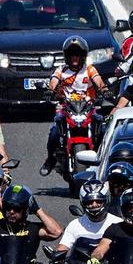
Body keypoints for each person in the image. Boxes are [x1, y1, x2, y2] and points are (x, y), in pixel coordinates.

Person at [42, 36, 108, 176]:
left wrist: (104, 90)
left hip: (88, 106)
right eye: (71, 55)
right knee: (54, 132)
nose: (74, 58)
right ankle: (50, 159)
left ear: (83, 56)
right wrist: (50, 91)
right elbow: (53, 81)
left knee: (102, 129)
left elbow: (99, 81)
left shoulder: (89, 69)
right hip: (65, 107)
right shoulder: (61, 70)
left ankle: (105, 158)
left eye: (77, 55)